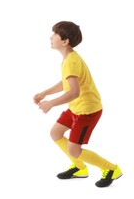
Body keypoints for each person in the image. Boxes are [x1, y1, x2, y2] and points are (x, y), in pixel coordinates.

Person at [33, 21, 122, 187]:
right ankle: (80, 168)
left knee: (74, 149)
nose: (50, 37)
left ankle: (111, 168)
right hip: (76, 108)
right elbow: (67, 83)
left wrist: (51, 103)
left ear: (65, 41)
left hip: (87, 111)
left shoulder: (71, 61)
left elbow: (74, 92)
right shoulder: (69, 58)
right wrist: (45, 92)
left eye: (54, 34)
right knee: (56, 133)